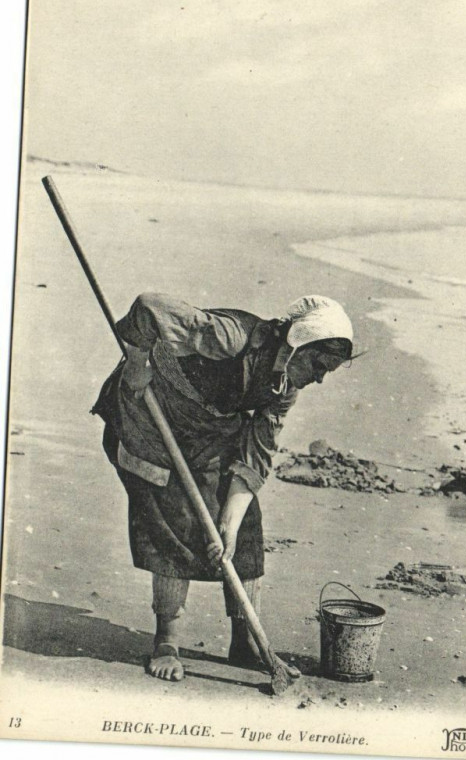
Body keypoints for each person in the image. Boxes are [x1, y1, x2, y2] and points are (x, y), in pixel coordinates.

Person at [93, 292, 354, 682]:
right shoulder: (232, 336)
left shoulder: (284, 391)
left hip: (210, 431)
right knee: (176, 524)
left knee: (244, 531)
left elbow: (256, 457)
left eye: (326, 372)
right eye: (319, 365)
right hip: (153, 417)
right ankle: (166, 641)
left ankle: (246, 642)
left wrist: (228, 526)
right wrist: (135, 365)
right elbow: (149, 308)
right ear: (300, 342)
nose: (318, 377)